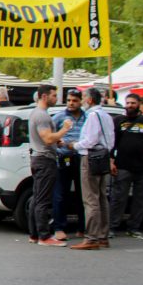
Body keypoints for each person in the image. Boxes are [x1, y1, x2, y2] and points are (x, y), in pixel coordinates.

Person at [108, 93, 143, 239]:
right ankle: (112, 227)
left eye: (133, 103)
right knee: (118, 198)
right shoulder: (118, 121)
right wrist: (111, 160)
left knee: (140, 200)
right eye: (128, 103)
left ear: (139, 104)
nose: (130, 105)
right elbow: (112, 143)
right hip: (123, 166)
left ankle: (134, 228)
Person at [27, 84, 74, 246]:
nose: (57, 98)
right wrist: (65, 129)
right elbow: (47, 139)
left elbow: (48, 139)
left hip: (39, 157)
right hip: (44, 160)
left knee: (37, 197)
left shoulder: (39, 114)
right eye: (54, 95)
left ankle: (34, 234)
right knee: (43, 200)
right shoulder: (42, 116)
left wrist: (58, 141)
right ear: (44, 96)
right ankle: (44, 236)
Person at [70, 88, 116, 250]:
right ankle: (103, 236)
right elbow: (110, 140)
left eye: (83, 98)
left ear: (89, 100)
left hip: (91, 157)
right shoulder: (106, 116)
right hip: (103, 157)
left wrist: (74, 145)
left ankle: (92, 237)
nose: (82, 101)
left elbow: (89, 141)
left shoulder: (92, 116)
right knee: (102, 197)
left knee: (91, 199)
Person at [52, 89, 87, 240]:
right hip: (64, 157)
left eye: (74, 100)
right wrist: (57, 143)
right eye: (69, 100)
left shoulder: (87, 117)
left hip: (82, 158)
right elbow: (49, 134)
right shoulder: (60, 116)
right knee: (60, 194)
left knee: (83, 194)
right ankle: (59, 228)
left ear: (81, 101)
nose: (71, 103)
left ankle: (83, 227)